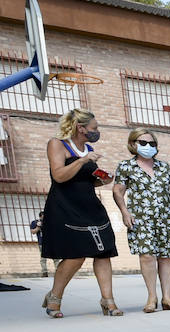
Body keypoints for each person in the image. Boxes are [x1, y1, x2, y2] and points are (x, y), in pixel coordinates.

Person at [39, 109, 121, 317]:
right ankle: (55, 298)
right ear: (81, 128)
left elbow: (87, 179)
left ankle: (108, 301)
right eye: (94, 128)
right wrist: (83, 161)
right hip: (65, 206)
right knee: (75, 255)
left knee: (103, 252)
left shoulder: (89, 148)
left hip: (90, 205)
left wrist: (102, 179)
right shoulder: (57, 144)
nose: (97, 131)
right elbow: (59, 175)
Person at [112, 129, 170, 312]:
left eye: (152, 144)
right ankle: (152, 297)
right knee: (147, 255)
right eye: (143, 143)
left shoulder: (164, 167)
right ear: (133, 144)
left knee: (166, 257)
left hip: (165, 218)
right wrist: (124, 212)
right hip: (141, 219)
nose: (148, 147)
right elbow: (118, 191)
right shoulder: (126, 167)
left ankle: (167, 298)